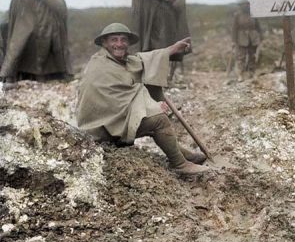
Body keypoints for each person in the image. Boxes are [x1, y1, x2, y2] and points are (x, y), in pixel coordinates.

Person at [75, 23, 209, 176]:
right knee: (159, 120)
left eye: (123, 40)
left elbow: (141, 60)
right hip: (103, 130)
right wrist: (153, 106)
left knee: (152, 120)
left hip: (114, 121)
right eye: (114, 40)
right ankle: (179, 164)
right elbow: (121, 99)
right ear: (104, 43)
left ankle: (185, 154)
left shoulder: (117, 60)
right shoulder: (100, 67)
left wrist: (172, 49)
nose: (119, 44)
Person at [0, 0, 71, 89]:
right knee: (15, 50)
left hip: (49, 34)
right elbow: (13, 16)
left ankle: (64, 76)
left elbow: (61, 10)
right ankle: (7, 77)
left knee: (54, 58)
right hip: (26, 36)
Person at [231, 0, 262, 81]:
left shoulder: (253, 14)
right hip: (241, 39)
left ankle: (252, 73)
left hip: (253, 38)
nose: (244, 6)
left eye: (246, 5)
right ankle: (240, 74)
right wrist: (234, 41)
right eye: (242, 5)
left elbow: (258, 27)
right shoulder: (237, 15)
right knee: (241, 57)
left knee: (253, 56)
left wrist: (260, 38)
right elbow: (234, 29)